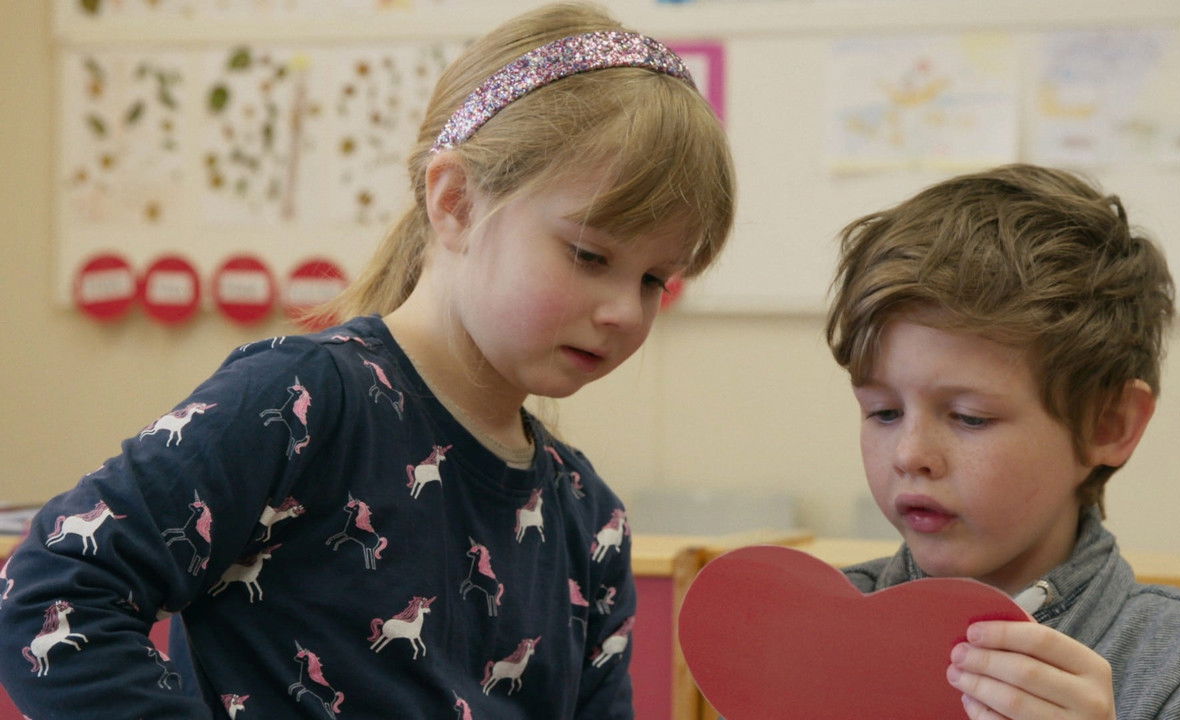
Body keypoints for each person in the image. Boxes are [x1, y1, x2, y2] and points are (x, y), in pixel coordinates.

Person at [0, 3, 734, 717]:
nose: (625, 312)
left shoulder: (588, 517)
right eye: (589, 254)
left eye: (652, 280)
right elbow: (52, 594)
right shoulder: (297, 402)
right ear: (456, 204)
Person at [825, 164, 1180, 719]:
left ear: (1109, 425)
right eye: (884, 411)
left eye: (969, 418)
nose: (910, 454)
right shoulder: (816, 630)